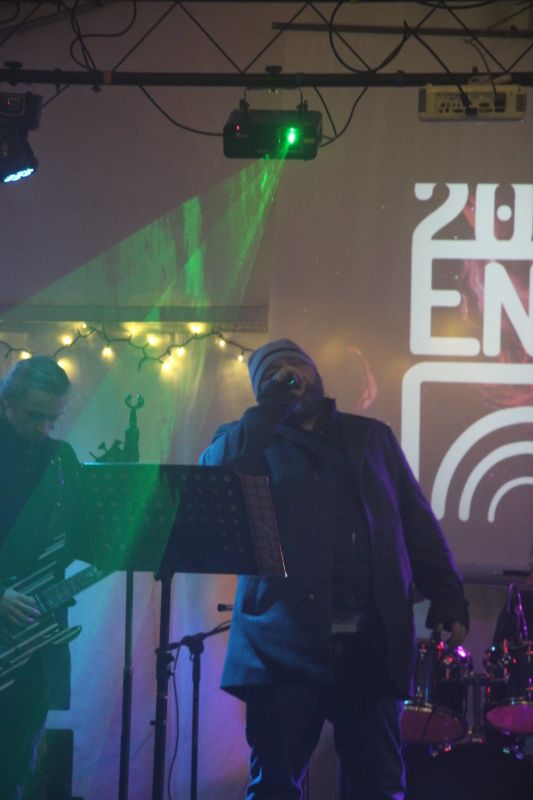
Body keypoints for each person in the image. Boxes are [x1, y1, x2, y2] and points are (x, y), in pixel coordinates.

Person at [199, 338, 469, 800]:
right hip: (281, 646)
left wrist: (448, 596)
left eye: (296, 363)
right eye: (273, 371)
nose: (288, 372)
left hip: (369, 645)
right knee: (276, 787)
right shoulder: (247, 437)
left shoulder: (371, 437)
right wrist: (269, 411)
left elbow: (415, 520)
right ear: (260, 390)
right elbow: (211, 480)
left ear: (316, 374)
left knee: (378, 785)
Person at [0, 355, 81, 800]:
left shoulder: (60, 458)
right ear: (7, 402)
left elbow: (82, 537)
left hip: (36, 634)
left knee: (18, 766)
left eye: (53, 418)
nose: (44, 428)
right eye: (34, 416)